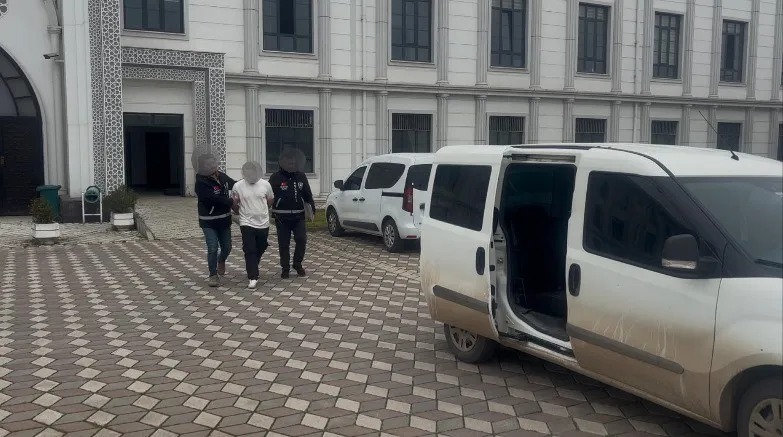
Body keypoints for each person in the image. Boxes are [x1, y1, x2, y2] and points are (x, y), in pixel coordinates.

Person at [268, 147, 316, 278]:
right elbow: (268, 195)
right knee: (284, 243)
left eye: (294, 163)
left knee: (301, 239)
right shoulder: (275, 177)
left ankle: (297, 264)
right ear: (282, 163)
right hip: (281, 217)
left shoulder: (301, 176)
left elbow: (307, 194)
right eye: (289, 164)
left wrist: (312, 207)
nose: (292, 166)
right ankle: (285, 267)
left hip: (299, 215)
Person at [195, 153, 237, 287]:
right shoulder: (200, 182)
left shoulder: (222, 176)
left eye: (213, 163)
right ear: (202, 166)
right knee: (213, 247)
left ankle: (221, 260)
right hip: (208, 221)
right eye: (208, 164)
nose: (212, 166)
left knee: (227, 247)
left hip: (224, 219)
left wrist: (249, 183)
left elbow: (235, 185)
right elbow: (213, 199)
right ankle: (213, 275)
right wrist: (231, 202)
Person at [231, 161, 275, 289]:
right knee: (249, 249)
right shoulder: (238, 186)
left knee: (261, 246)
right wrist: (237, 210)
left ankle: (253, 263)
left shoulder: (265, 184)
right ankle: (253, 276)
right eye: (247, 173)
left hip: (263, 222)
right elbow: (234, 202)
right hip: (246, 222)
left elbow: (270, 200)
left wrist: (263, 209)